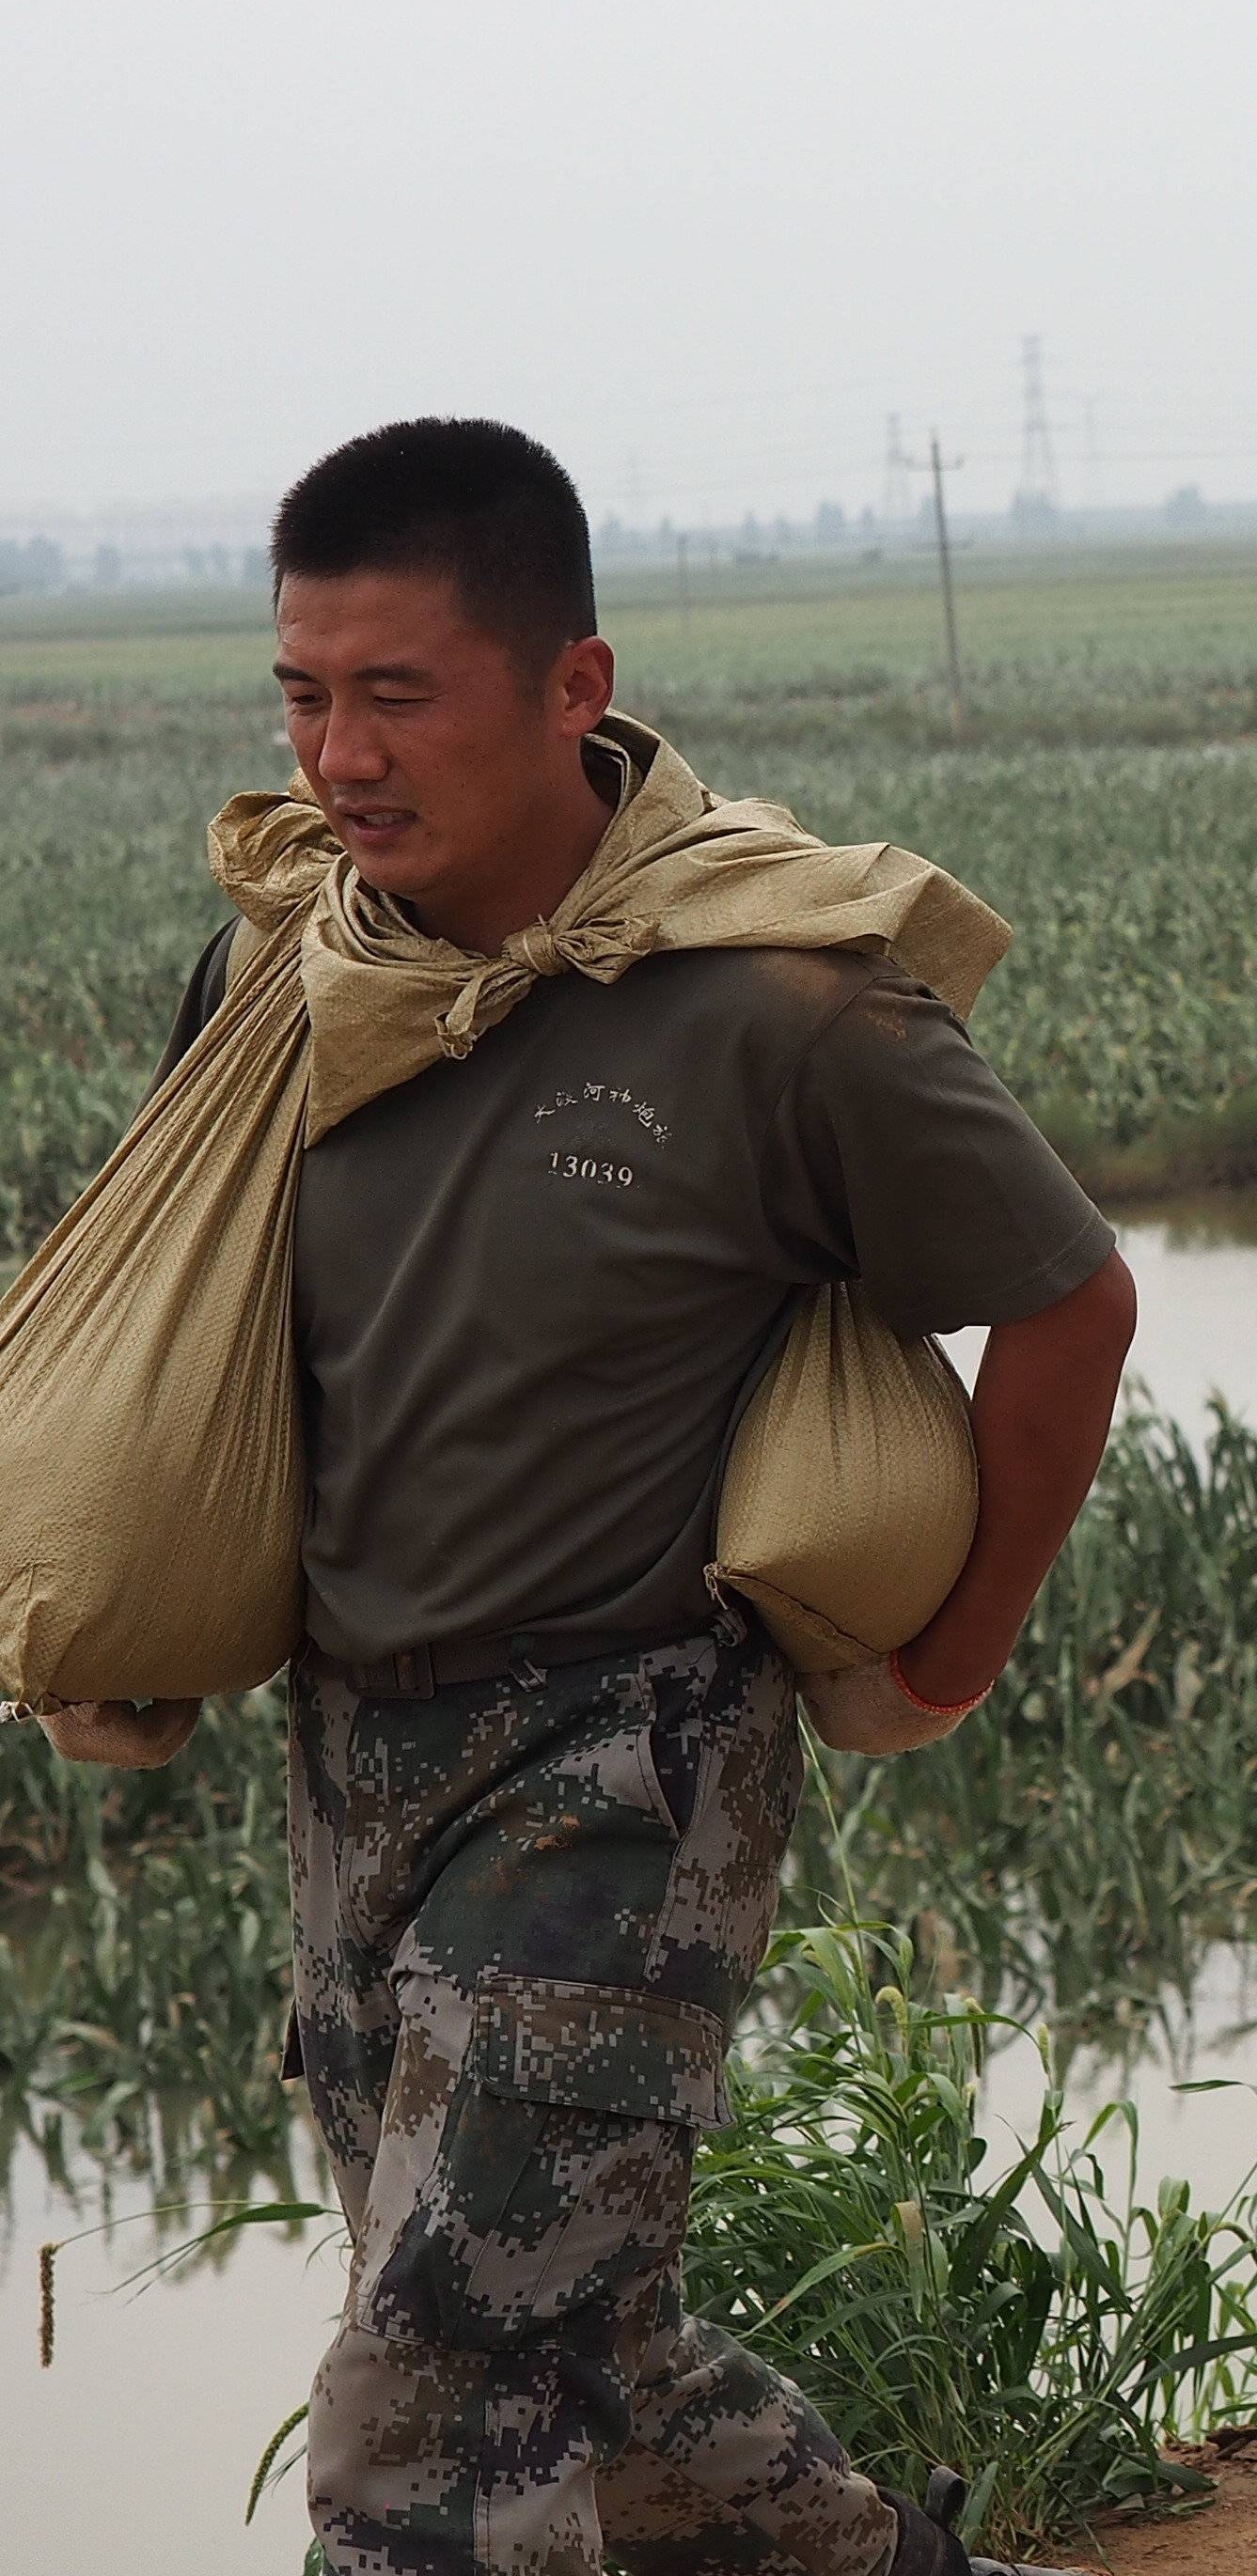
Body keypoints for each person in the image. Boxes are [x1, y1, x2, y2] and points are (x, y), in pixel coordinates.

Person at [57, 418, 1135, 2576]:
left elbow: (1067, 1304)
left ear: (573, 684)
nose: (339, 753)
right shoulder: (290, 971)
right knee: (561, 2331)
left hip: (626, 1760)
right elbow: (203, 1331)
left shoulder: (778, 997)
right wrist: (125, 1601)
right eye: (301, 693)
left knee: (426, 2407)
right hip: (355, 1757)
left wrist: (955, 1652)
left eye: (397, 693)